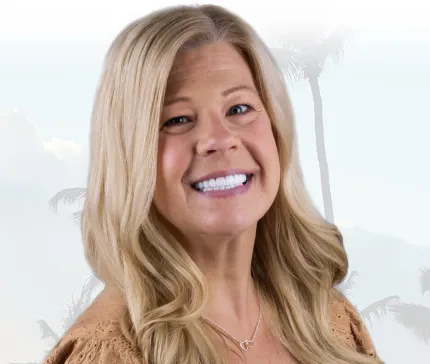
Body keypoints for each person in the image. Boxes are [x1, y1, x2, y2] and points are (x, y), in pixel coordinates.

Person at [43, 4, 383, 364]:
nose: (218, 139)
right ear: (131, 155)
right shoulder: (108, 350)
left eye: (238, 109)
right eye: (177, 119)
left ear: (276, 129)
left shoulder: (329, 320)